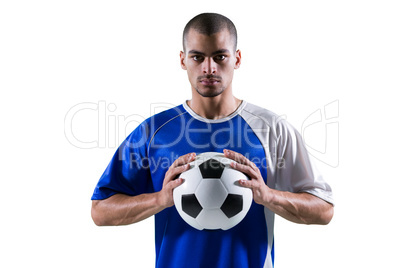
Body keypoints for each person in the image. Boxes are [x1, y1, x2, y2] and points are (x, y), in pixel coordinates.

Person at [91, 13, 334, 268]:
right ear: (183, 60)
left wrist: (269, 196)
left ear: (236, 59)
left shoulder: (272, 129)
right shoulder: (154, 132)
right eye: (198, 57)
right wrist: (159, 200)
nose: (209, 68)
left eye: (220, 56)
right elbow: (100, 210)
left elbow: (324, 209)